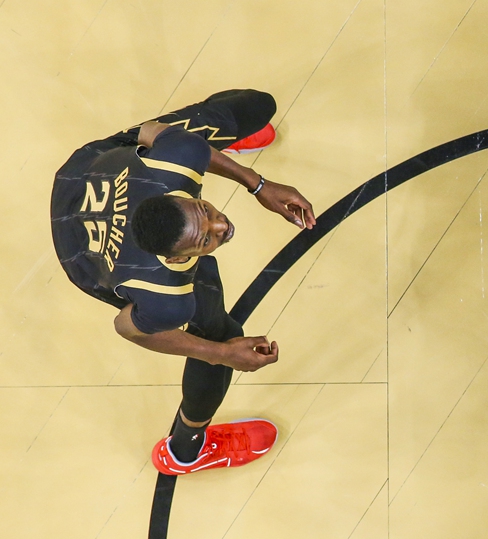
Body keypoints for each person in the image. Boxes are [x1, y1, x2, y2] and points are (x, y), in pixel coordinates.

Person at [50, 90, 316, 475]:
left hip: (82, 170)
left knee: (256, 107)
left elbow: (150, 132)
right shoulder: (164, 293)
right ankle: (185, 449)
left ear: (182, 194)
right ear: (179, 259)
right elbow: (127, 325)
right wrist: (220, 354)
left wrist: (259, 185)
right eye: (207, 239)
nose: (223, 226)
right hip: (86, 260)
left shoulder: (178, 158)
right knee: (221, 333)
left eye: (206, 211)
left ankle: (218, 155)